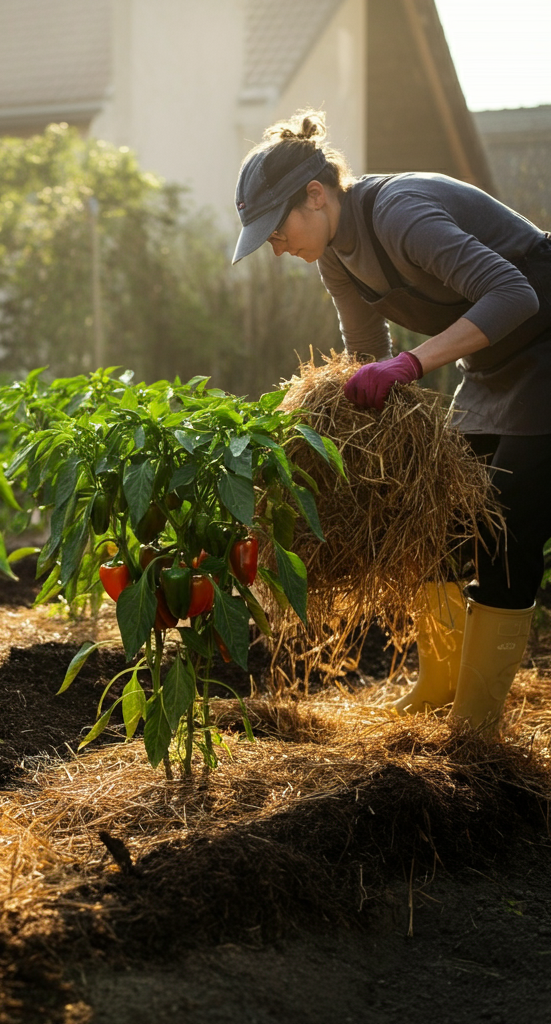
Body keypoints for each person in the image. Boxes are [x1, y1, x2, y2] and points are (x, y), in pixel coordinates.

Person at [231, 110, 551, 730]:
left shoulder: (399, 211)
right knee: (436, 516)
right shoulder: (335, 258)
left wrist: (411, 364)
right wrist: (322, 429)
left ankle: (478, 723)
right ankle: (439, 687)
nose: (276, 247)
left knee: (508, 528)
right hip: (492, 365)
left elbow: (516, 294)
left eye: (276, 229)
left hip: (545, 342)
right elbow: (364, 354)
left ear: (316, 196)